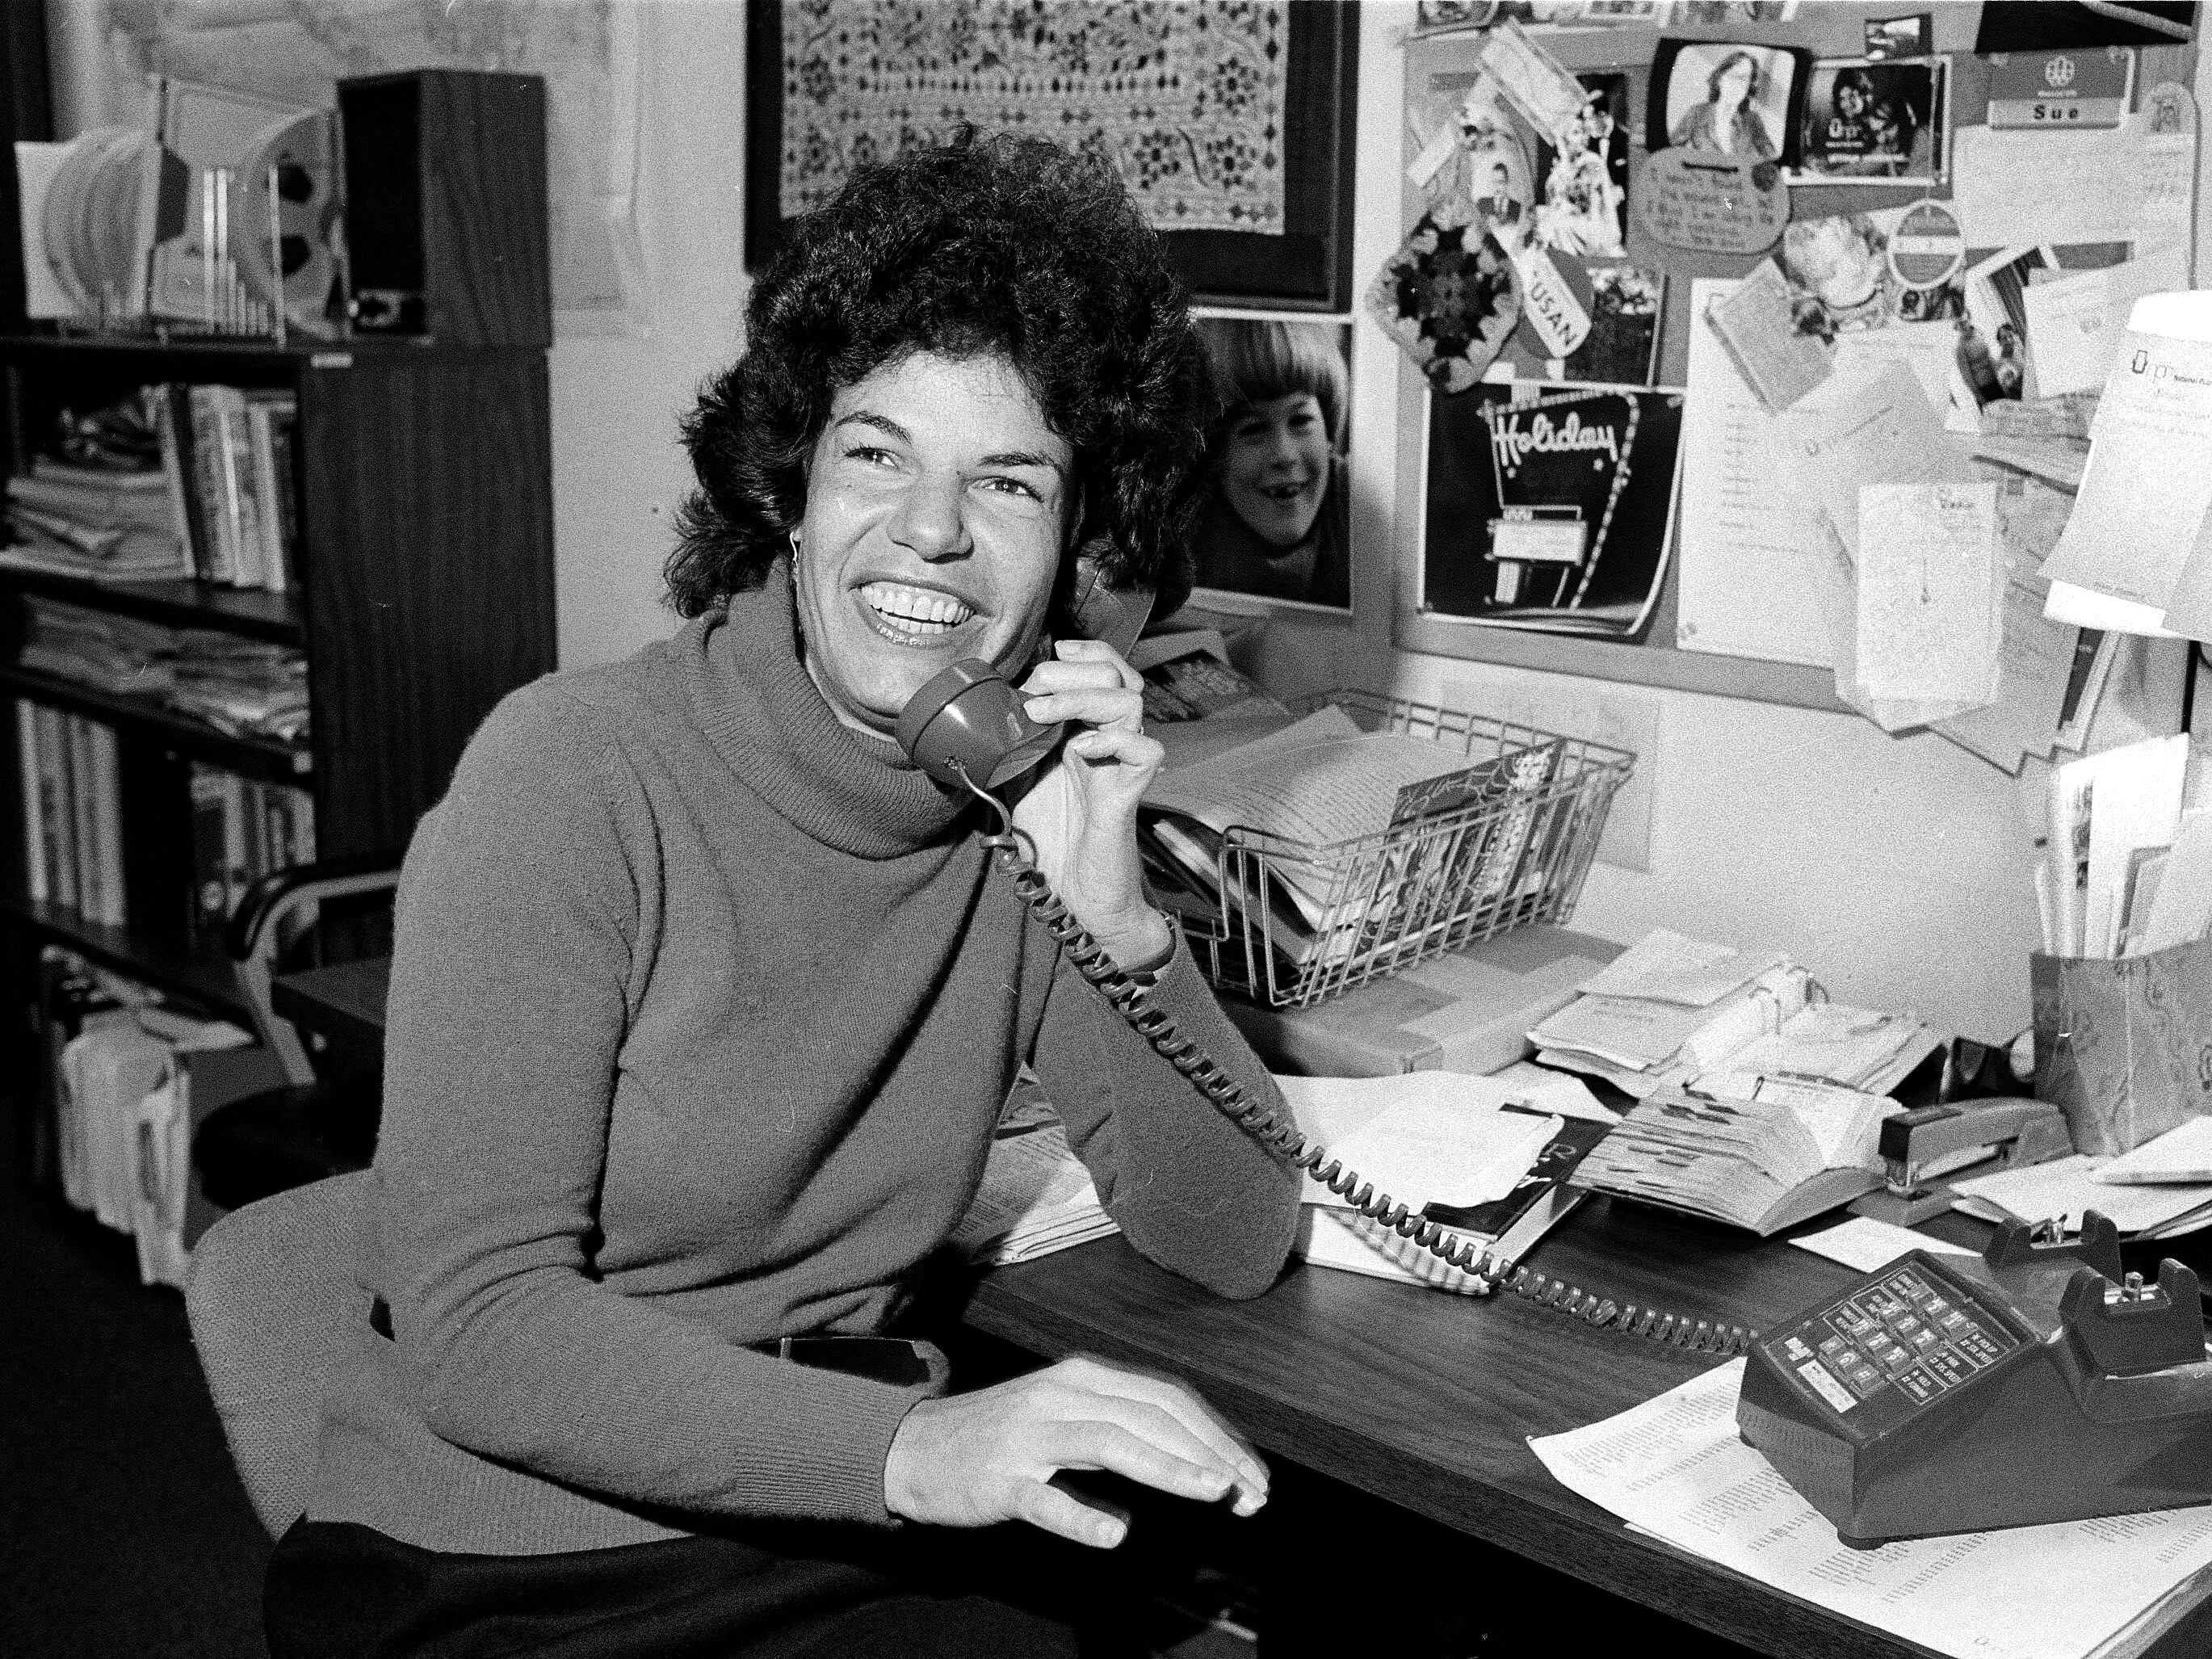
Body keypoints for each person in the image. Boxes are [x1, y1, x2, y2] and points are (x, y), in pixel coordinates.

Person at [262, 132, 1303, 1659]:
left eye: (1005, 479)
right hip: (511, 1549)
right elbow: (479, 1325)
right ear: (791, 492)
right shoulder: (570, 774)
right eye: (876, 453)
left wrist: (1119, 924)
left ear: (1080, 555)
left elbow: (1227, 1232)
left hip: (821, 1511)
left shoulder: (1019, 810)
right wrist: (910, 1454)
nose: (931, 531)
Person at [1190, 317, 1352, 609]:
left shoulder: (1352, 506)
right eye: (1253, 429)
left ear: (1329, 434)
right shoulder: (1190, 526)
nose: (1284, 455)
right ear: (1213, 455)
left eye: (1301, 420)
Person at [1669, 48, 1778, 158]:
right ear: (1720, 79)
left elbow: (1772, 158)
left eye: (1744, 79)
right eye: (1734, 76)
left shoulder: (1753, 120)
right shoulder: (1697, 114)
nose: (1738, 85)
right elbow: (1668, 153)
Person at [1475, 160, 1522, 236]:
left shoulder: (1518, 208)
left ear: (1507, 183)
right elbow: (1476, 230)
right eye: (1494, 182)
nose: (1497, 187)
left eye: (1501, 182)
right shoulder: (1482, 204)